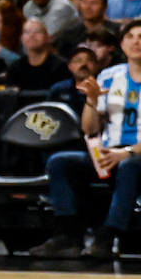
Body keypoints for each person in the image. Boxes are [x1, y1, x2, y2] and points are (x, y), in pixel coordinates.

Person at [32, 18, 141, 259]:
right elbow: (90, 129)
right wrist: (91, 101)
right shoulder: (109, 77)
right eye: (131, 37)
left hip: (135, 155)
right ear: (122, 44)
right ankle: (68, 234)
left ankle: (107, 236)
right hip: (110, 151)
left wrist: (128, 152)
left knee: (130, 165)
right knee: (59, 162)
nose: (136, 42)